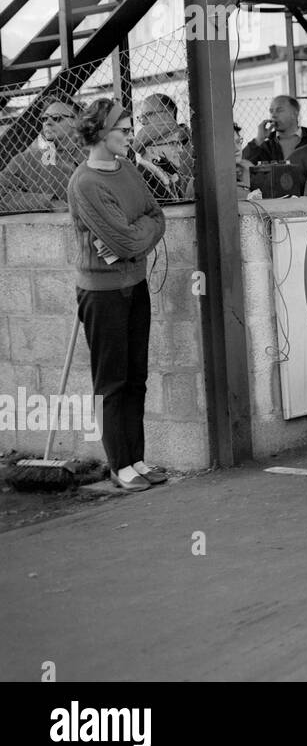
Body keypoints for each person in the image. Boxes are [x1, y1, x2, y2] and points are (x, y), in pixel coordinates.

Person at [66, 99, 167, 493]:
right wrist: (135, 237)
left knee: (137, 376)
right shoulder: (85, 183)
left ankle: (137, 458)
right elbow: (124, 241)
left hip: (134, 283)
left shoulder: (127, 169)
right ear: (100, 134)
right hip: (102, 292)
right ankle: (118, 464)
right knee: (112, 381)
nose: (130, 135)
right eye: (122, 130)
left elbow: (156, 216)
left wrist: (134, 236)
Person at [0, 96, 85, 212]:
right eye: (44, 119)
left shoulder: (92, 156)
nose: (48, 123)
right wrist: (49, 202)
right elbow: (2, 194)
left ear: (76, 121)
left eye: (56, 118)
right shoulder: (25, 160)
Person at [135, 123, 194, 202]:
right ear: (152, 151)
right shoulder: (143, 183)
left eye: (179, 143)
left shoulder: (167, 177)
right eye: (173, 143)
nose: (180, 150)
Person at [244, 95, 307, 164]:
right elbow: (242, 164)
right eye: (271, 111)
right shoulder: (266, 146)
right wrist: (259, 139)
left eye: (279, 110)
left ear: (295, 114)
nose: (273, 115)